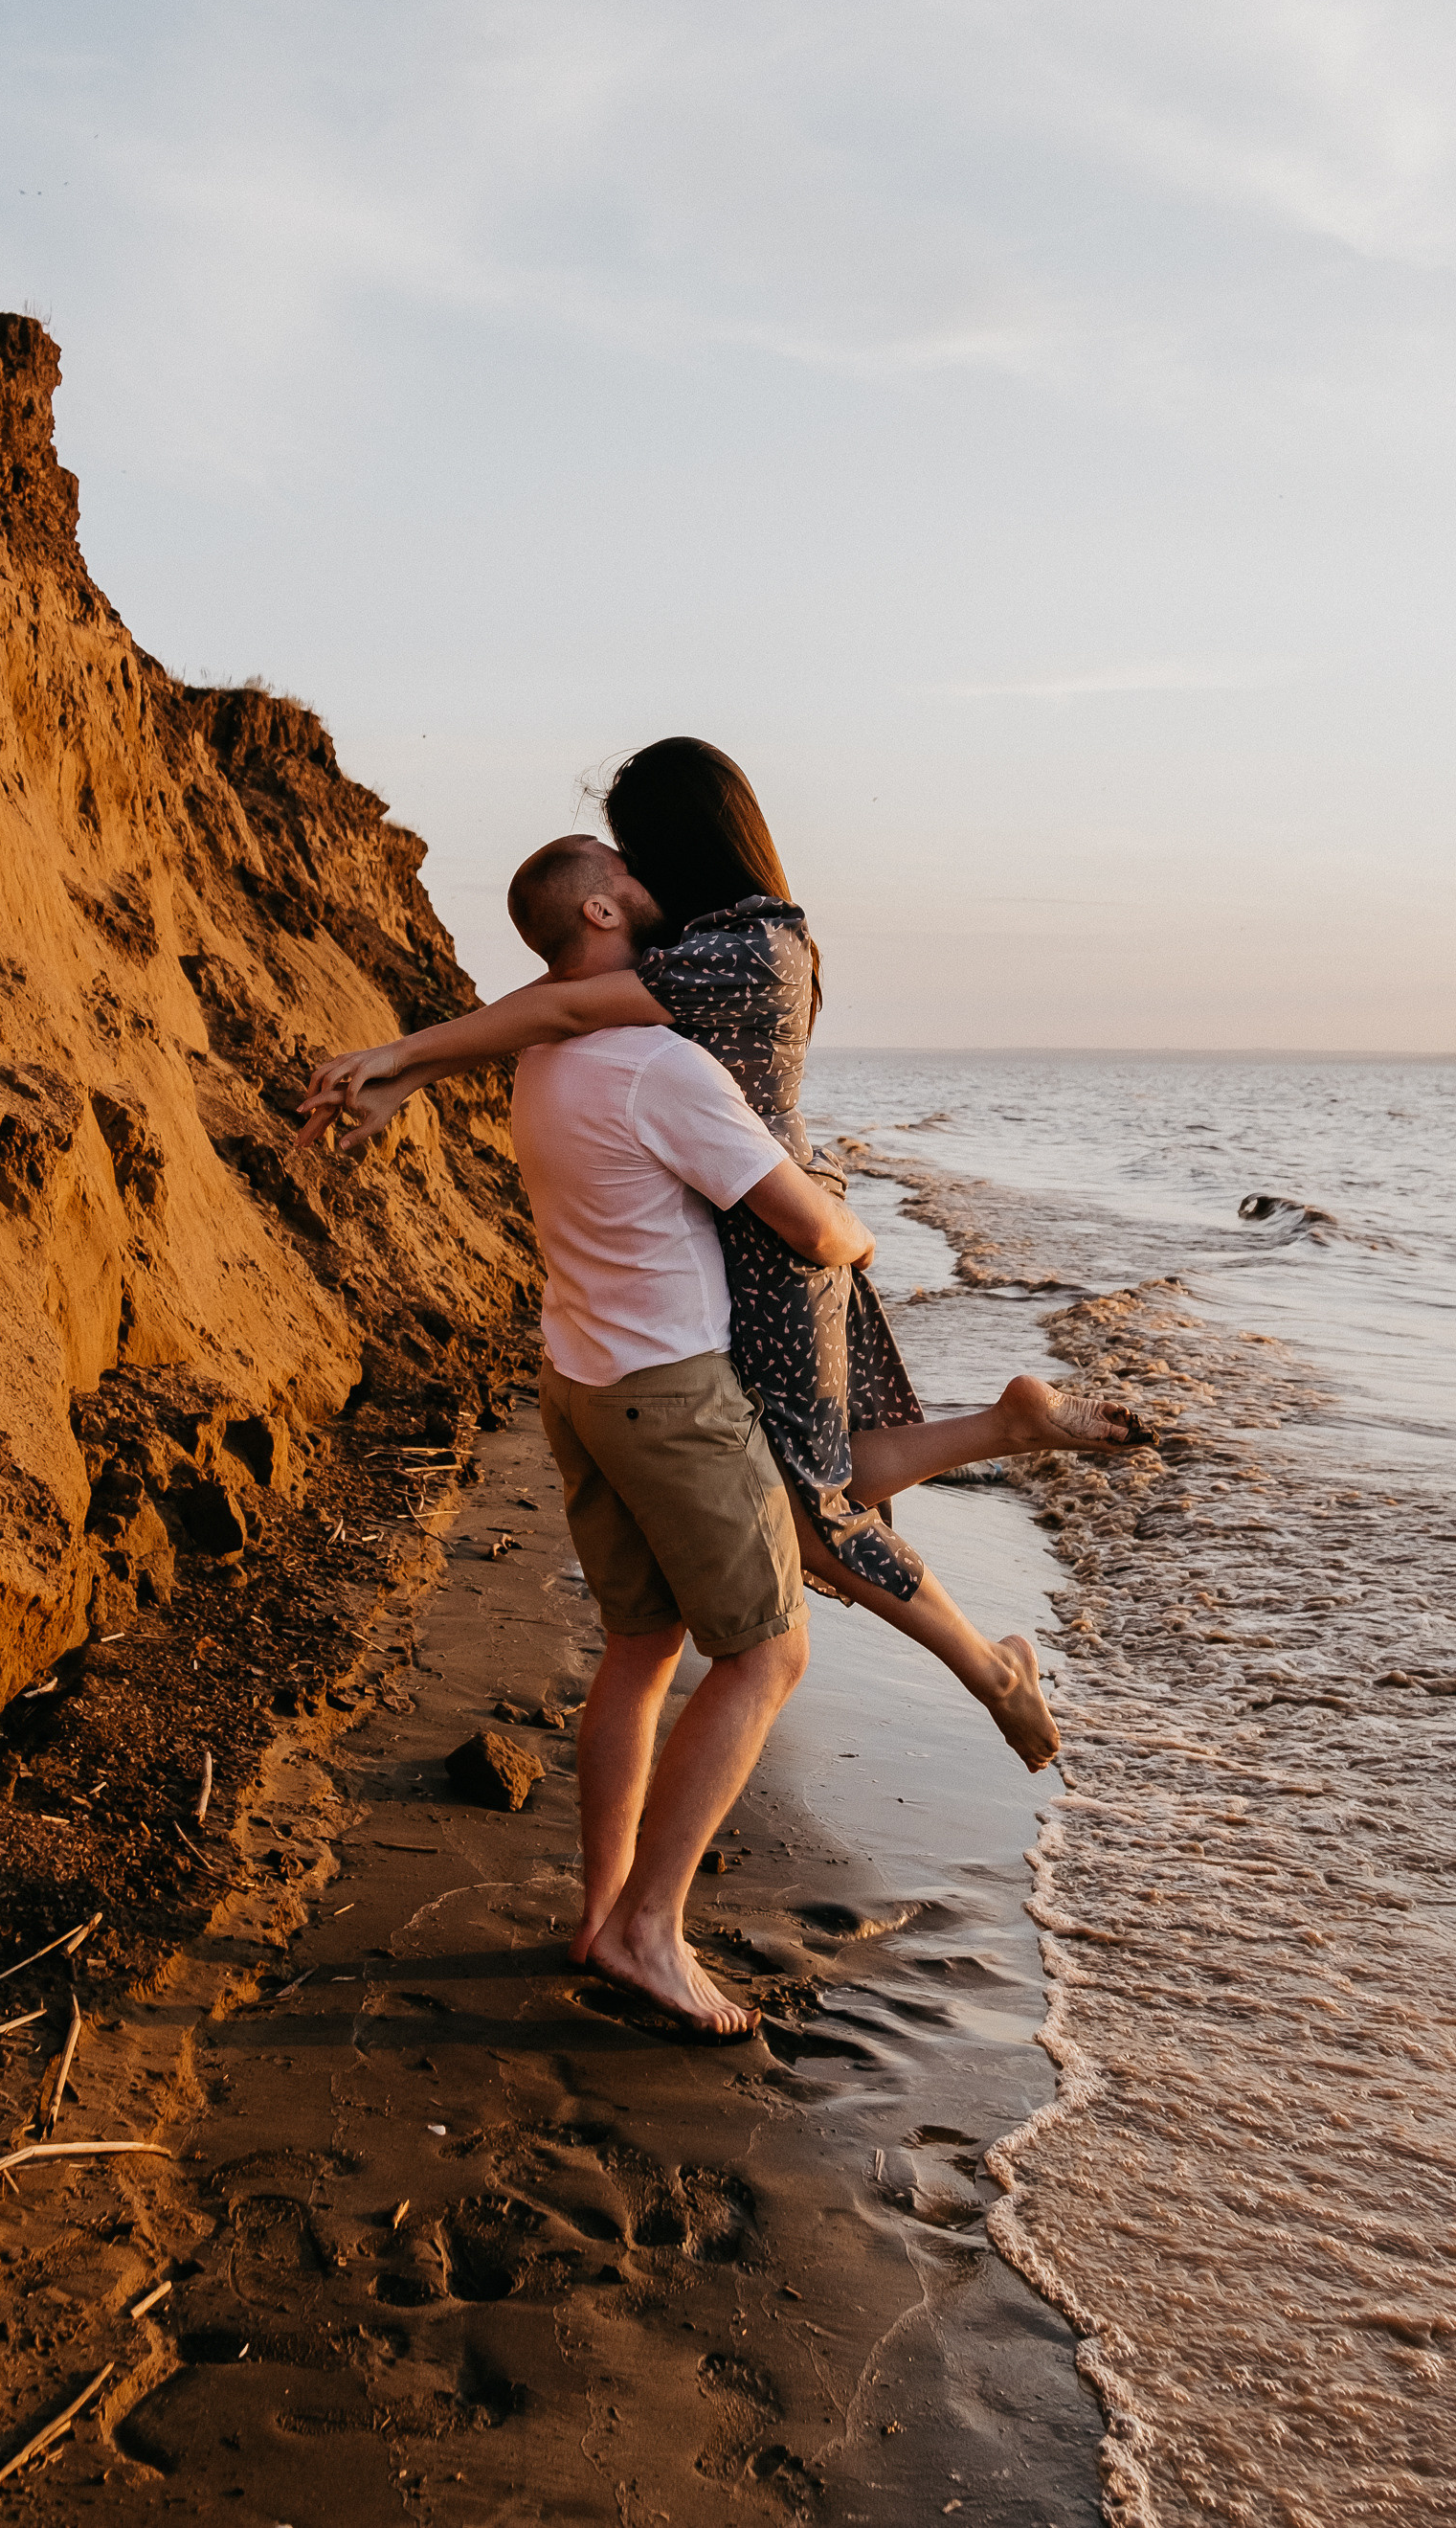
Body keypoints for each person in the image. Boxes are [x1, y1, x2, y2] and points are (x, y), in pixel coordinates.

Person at [300, 740, 1125, 1766]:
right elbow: (564, 993)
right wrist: (411, 1072)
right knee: (810, 1475)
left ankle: (991, 1667)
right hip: (744, 1235)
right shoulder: (718, 940)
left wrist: (405, 1056)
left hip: (772, 1244)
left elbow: (560, 1004)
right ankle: (1009, 1432)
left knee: (813, 1509)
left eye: (634, 849)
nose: (629, 871)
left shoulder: (747, 951)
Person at [450, 879, 860, 2035]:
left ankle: (603, 1916)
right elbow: (811, 1227)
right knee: (767, 1653)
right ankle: (646, 1929)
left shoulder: (545, 1058)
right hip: (668, 1390)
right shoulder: (657, 1063)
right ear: (594, 907)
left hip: (577, 1379)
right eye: (627, 878)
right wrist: (856, 1222)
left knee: (639, 1645)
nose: (650, 888)